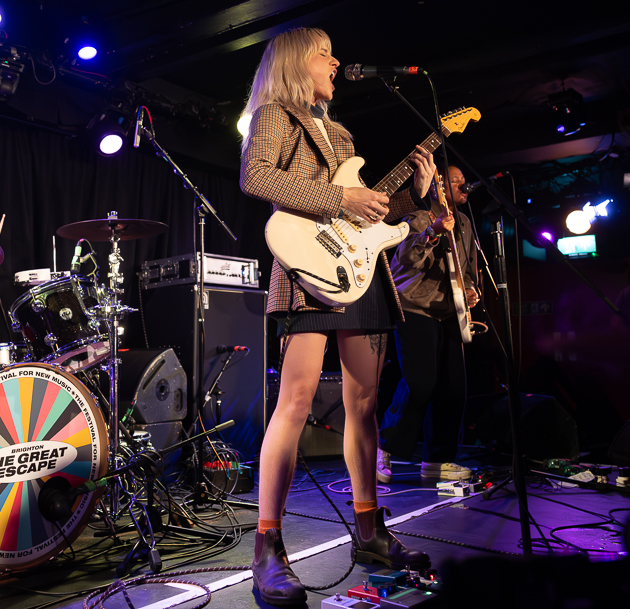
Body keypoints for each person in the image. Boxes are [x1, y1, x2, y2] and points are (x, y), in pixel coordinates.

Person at [239, 28, 435, 606]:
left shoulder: (343, 133)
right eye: (325, 53)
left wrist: (415, 195)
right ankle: (267, 546)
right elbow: (256, 177)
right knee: (296, 400)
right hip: (306, 272)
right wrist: (340, 199)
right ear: (297, 62)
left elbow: (366, 213)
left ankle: (370, 530)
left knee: (365, 403)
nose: (336, 61)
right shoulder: (274, 114)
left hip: (357, 271)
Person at [378, 167, 479, 483]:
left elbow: (468, 270)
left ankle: (438, 460)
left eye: (464, 180)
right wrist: (432, 232)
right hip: (415, 308)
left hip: (450, 312)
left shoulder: (465, 224)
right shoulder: (418, 219)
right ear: (437, 187)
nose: (464, 185)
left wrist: (471, 290)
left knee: (453, 389)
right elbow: (406, 261)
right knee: (420, 384)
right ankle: (384, 448)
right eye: (455, 181)